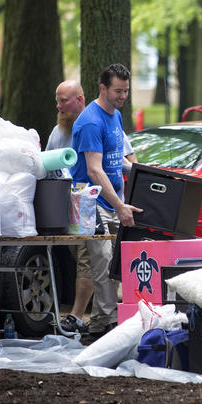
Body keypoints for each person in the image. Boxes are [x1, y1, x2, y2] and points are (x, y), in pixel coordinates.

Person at [48, 80, 136, 334]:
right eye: (58, 100)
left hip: (106, 200)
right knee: (97, 260)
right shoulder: (60, 132)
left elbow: (126, 158)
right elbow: (51, 167)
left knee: (101, 261)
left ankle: (94, 318)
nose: (59, 106)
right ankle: (97, 319)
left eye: (64, 100)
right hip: (82, 203)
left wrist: (129, 189)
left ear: (80, 99)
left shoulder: (104, 120)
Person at [69, 64, 143, 337]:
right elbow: (94, 169)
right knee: (101, 263)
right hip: (89, 200)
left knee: (113, 266)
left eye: (125, 91)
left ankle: (99, 325)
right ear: (103, 88)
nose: (122, 96)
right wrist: (120, 205)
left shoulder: (116, 116)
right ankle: (111, 325)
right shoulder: (91, 121)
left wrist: (140, 172)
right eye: (117, 91)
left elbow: (115, 159)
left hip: (113, 199)